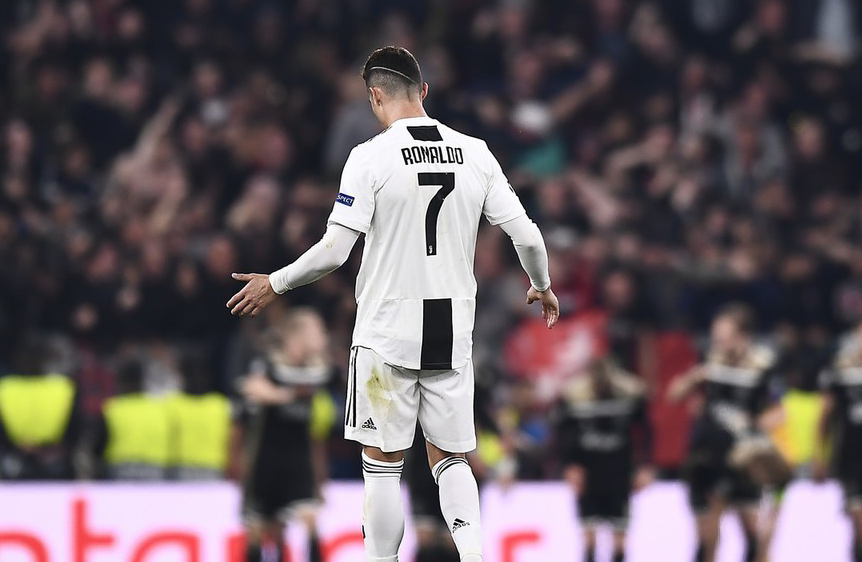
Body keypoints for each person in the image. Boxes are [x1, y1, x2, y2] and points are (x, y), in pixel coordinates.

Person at [226, 46, 559, 562]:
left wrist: (277, 282)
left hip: (386, 332)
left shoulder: (370, 157)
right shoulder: (476, 152)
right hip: (451, 332)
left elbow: (335, 252)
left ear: (375, 97)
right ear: (423, 91)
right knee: (452, 458)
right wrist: (541, 284)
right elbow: (529, 237)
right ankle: (473, 555)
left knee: (383, 465)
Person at [669, 304, 788, 562]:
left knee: (752, 532)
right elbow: (675, 395)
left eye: (725, 337)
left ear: (743, 336)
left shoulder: (762, 367)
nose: (720, 343)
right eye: (717, 337)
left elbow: (779, 412)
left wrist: (754, 424)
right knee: (708, 531)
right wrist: (695, 378)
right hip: (707, 454)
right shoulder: (708, 360)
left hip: (742, 458)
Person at [235, 308, 332, 562]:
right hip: (265, 457)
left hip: (298, 457)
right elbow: (251, 387)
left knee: (310, 519)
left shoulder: (318, 369)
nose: (323, 337)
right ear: (298, 335)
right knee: (264, 529)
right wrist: (287, 395)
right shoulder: (268, 363)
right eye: (317, 330)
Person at [556, 358, 653, 562]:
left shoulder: (628, 395)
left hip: (619, 472)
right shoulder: (576, 397)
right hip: (588, 473)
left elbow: (646, 431)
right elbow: (562, 434)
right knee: (589, 536)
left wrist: (645, 466)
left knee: (619, 537)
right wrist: (569, 466)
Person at [0, 337, 81, 480]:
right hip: (54, 462)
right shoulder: (63, 387)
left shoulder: (5, 388)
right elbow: (76, 427)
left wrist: (19, 447)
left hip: (14, 462)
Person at [817, 322, 862, 562]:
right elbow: (824, 415)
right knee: (857, 521)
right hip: (850, 458)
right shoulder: (839, 370)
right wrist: (819, 455)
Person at [93, 360, 171, 480]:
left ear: (121, 381)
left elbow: (98, 446)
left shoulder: (112, 408)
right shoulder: (160, 409)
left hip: (120, 470)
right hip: (155, 470)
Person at [166, 353, 233, 480]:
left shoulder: (172, 405)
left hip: (181, 469)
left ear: (182, 376)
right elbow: (231, 442)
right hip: (212, 469)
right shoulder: (221, 405)